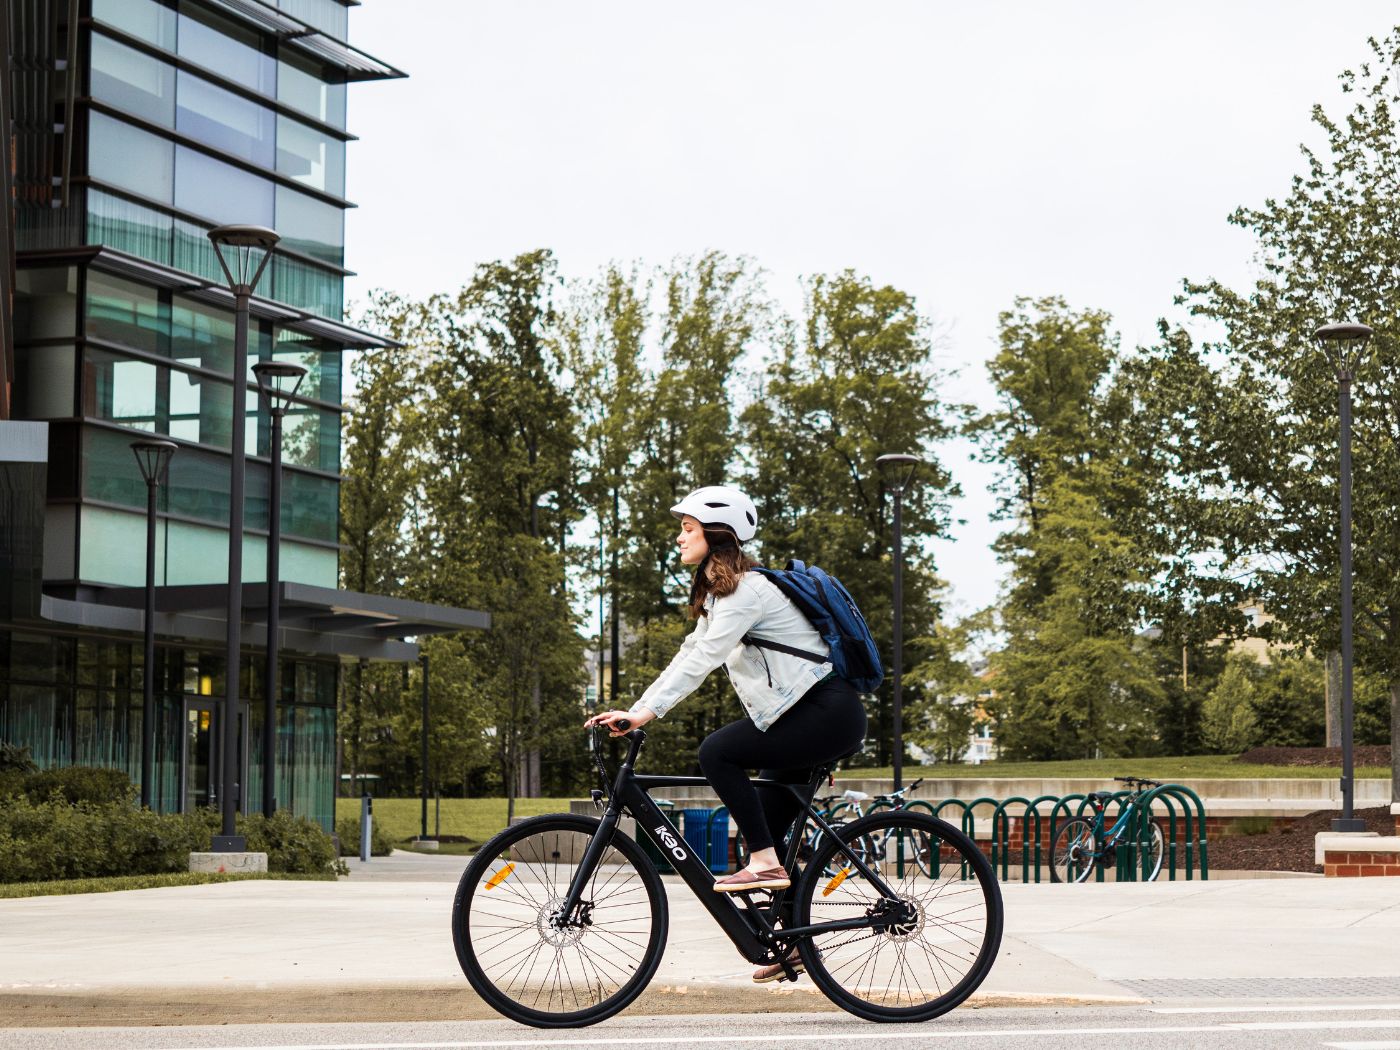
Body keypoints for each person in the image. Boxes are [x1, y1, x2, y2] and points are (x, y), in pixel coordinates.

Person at [585, 484, 867, 983]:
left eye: (687, 528)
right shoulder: (725, 595)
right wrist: (637, 708)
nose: (678, 538)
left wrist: (644, 714)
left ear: (717, 535)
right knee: (763, 838)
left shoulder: (748, 591)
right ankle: (794, 944)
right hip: (801, 716)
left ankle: (768, 867)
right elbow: (689, 652)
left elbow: (703, 659)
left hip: (827, 712)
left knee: (717, 753)